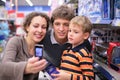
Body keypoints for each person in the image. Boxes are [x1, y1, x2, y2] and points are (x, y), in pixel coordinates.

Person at [0, 12, 50, 80]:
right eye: (35, 26)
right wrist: (26, 68)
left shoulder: (40, 48)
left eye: (44, 27)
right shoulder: (16, 42)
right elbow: (4, 67)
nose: (40, 30)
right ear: (27, 27)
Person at [52, 16, 94, 80]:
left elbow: (90, 78)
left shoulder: (84, 54)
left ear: (85, 35)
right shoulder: (66, 51)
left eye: (76, 32)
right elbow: (65, 70)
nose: (71, 34)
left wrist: (69, 77)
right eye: (70, 31)